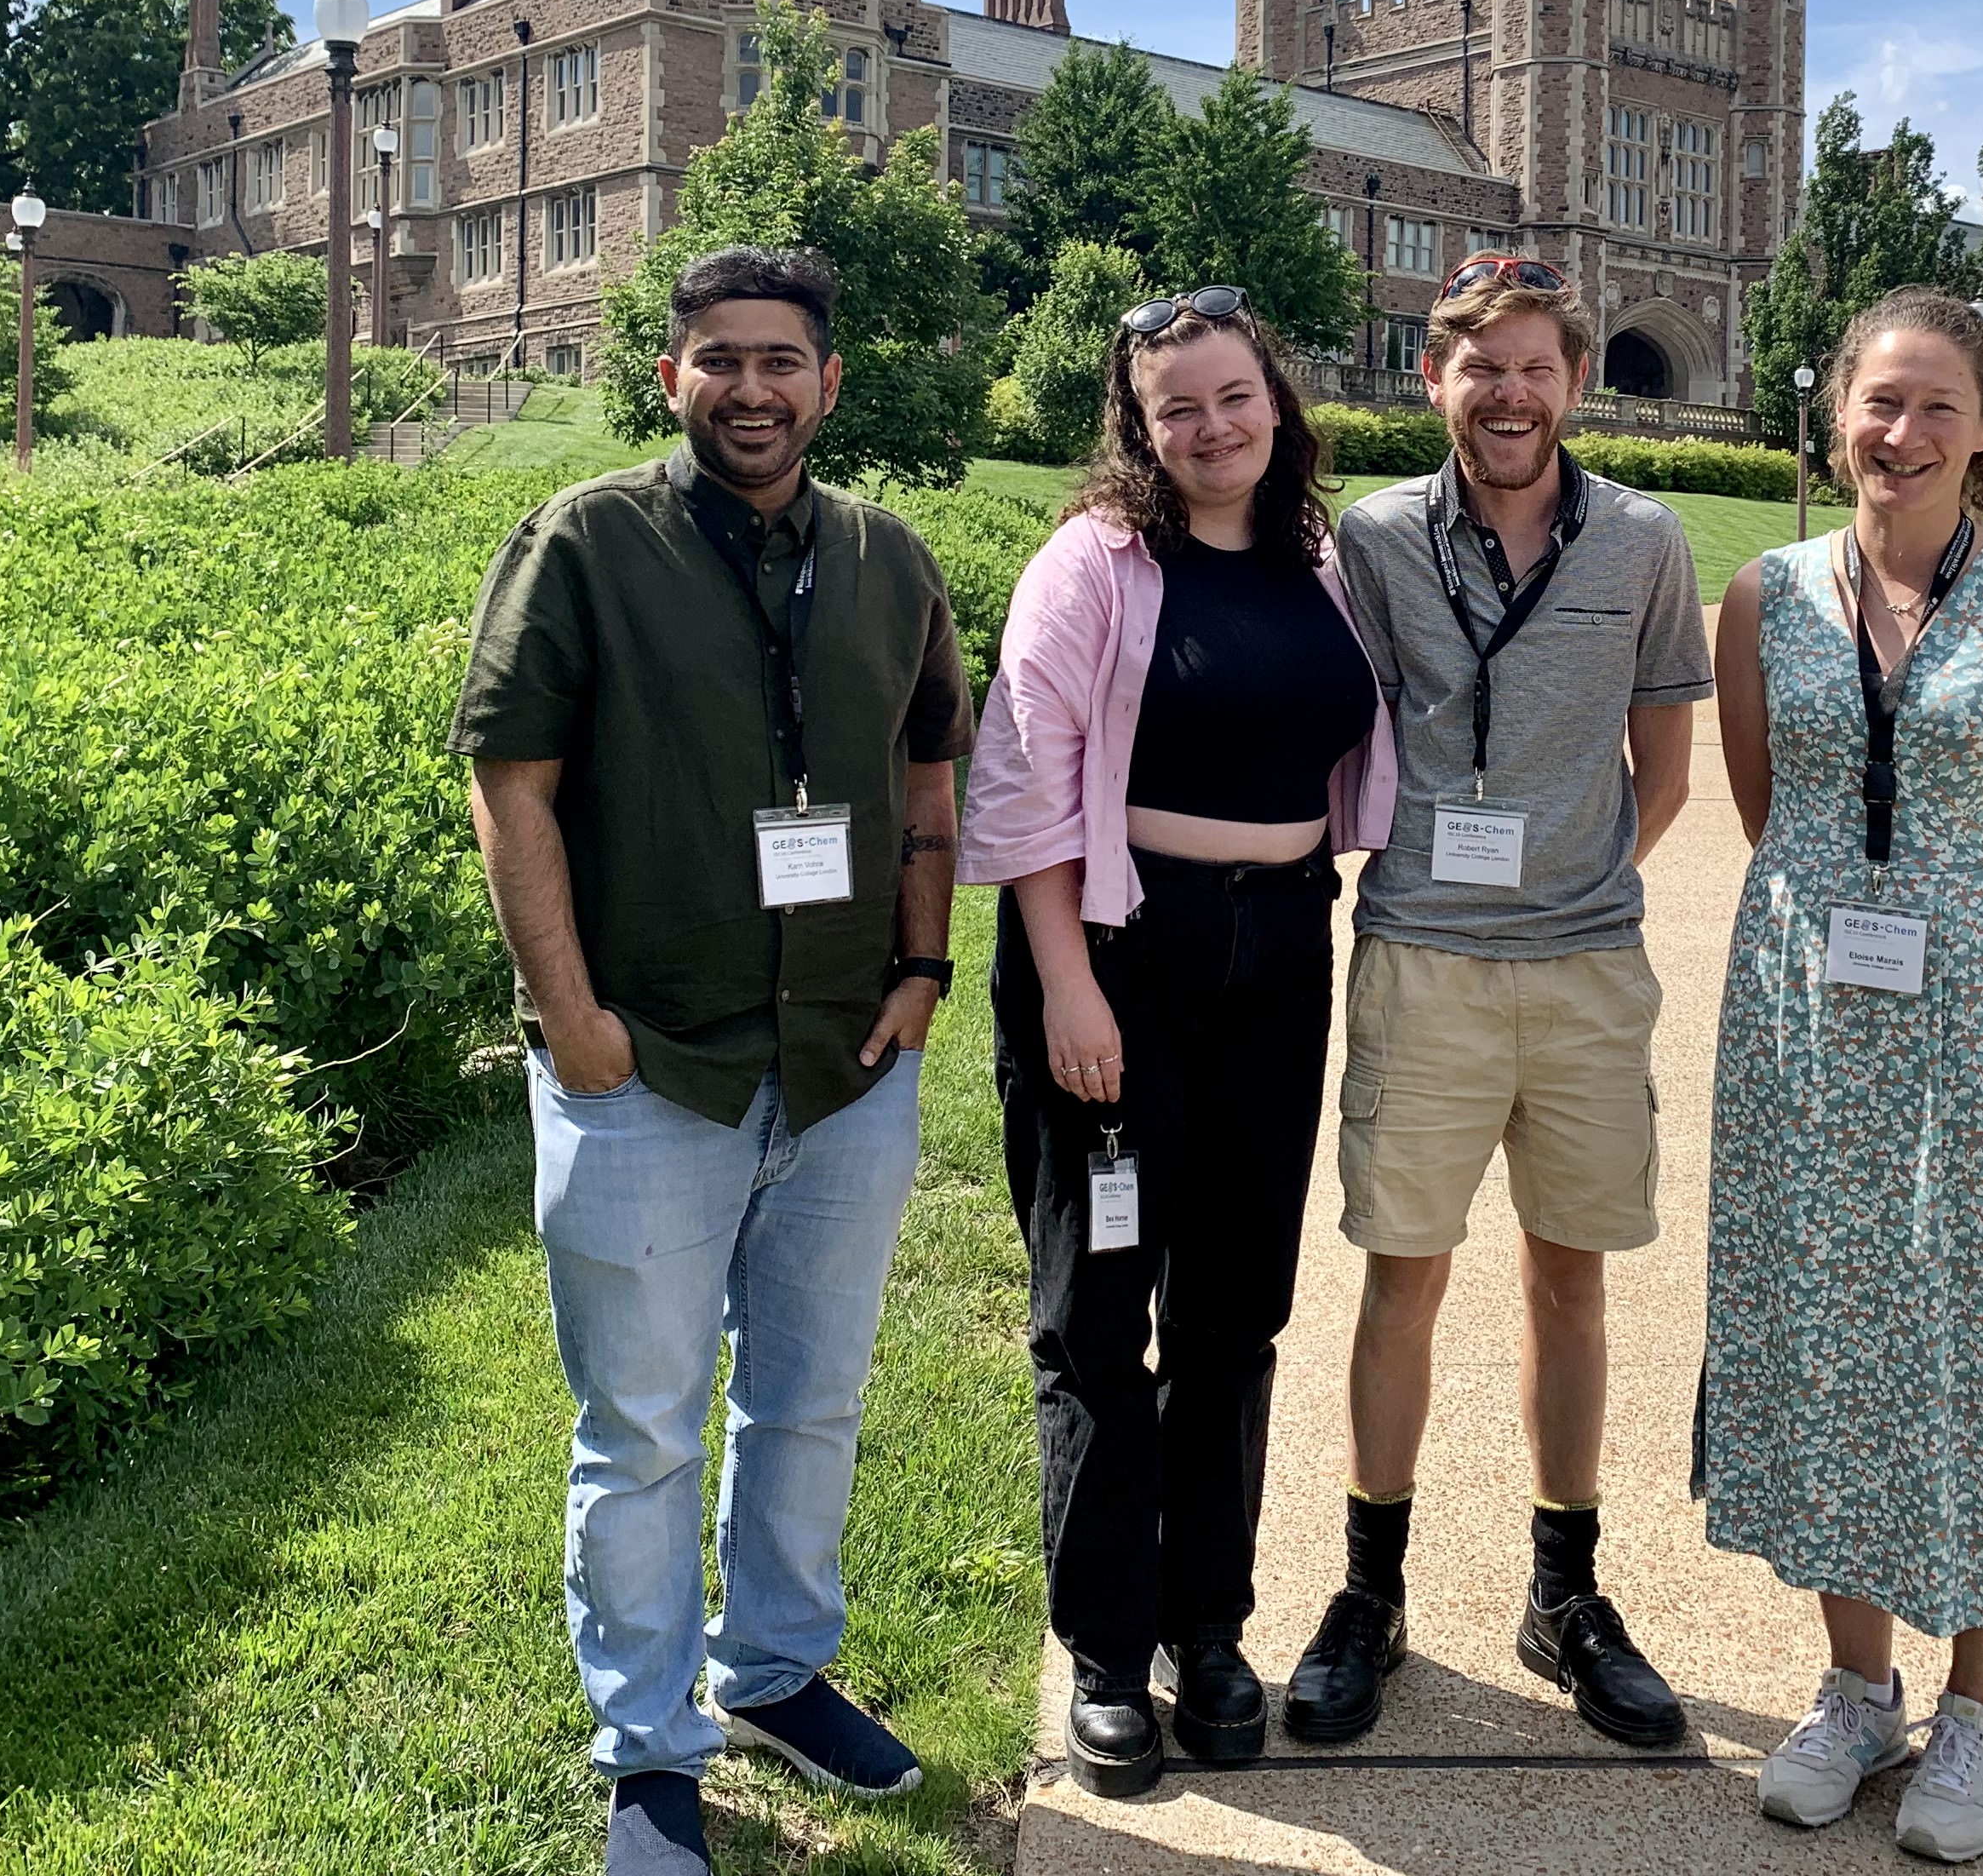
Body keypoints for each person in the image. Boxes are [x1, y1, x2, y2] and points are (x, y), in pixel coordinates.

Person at [454, 247, 975, 1876]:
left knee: (810, 1403)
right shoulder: (588, 544)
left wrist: (924, 966)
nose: (751, 388)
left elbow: (931, 777)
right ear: (670, 377)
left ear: (829, 383)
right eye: (719, 360)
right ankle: (649, 1741)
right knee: (646, 1426)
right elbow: (511, 788)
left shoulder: (891, 561)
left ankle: (776, 1672)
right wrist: (572, 1018)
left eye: (782, 361)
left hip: (843, 1066)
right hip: (652, 1067)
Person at [1700, 287, 1983, 1865]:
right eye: (1880, 402)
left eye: (1939, 404)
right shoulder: (1762, 595)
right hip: (1806, 1028)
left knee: (1978, 1328)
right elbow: (1772, 808)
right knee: (1831, 1327)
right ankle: (1855, 1686)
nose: (1905, 432)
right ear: (1835, 416)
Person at [957, 287, 1396, 1798]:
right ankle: (1103, 1641)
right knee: (1098, 1304)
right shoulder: (1096, 562)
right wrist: (1069, 987)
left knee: (1236, 1309)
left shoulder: (1321, 561)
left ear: (1276, 398)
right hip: (1119, 955)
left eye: (1232, 395)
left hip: (1279, 950)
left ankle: (1208, 1626)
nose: (1211, 428)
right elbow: (1021, 780)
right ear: (1139, 431)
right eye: (1175, 409)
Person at [1286, 255, 1711, 1753]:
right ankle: (1368, 1594)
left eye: (1535, 367)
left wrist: (1575, 878)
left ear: (1576, 384)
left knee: (1570, 1280)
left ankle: (1565, 1596)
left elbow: (1666, 768)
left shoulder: (1647, 543)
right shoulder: (1376, 537)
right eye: (1481, 369)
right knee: (1402, 1275)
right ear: (1436, 382)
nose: (1509, 394)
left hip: (1585, 970)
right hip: (1421, 959)